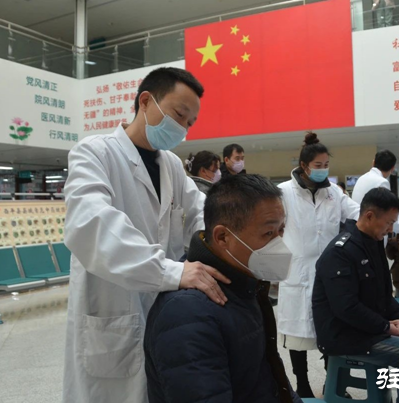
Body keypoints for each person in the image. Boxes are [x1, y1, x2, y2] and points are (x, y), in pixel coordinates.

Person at [63, 67, 231, 403]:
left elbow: (200, 215)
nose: (182, 128)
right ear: (145, 101)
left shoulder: (171, 166)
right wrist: (171, 271)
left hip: (164, 313)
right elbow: (91, 225)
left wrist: (227, 244)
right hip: (111, 311)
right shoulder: (95, 152)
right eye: (179, 115)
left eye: (189, 123)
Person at [144, 175, 302, 403]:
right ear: (223, 237)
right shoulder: (187, 313)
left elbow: (269, 378)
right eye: (268, 233)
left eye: (281, 231)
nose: (279, 244)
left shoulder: (245, 285)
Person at [312, 188, 399, 403]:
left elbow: (384, 291)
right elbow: (346, 308)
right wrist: (384, 326)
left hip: (371, 324)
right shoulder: (340, 252)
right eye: (389, 223)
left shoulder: (374, 242)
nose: (390, 230)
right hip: (345, 334)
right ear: (369, 216)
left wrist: (398, 317)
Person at [277, 132, 360, 398]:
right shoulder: (283, 192)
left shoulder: (334, 193)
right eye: (318, 165)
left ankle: (331, 382)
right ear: (304, 166)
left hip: (329, 274)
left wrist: (395, 220)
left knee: (331, 330)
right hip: (296, 273)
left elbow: (359, 214)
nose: (323, 169)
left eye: (326, 165)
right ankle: (302, 383)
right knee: (296, 335)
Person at [351, 149, 399, 234]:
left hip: (359, 226)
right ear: (392, 168)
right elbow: (387, 213)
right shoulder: (382, 182)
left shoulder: (362, 178)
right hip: (373, 230)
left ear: (373, 162)